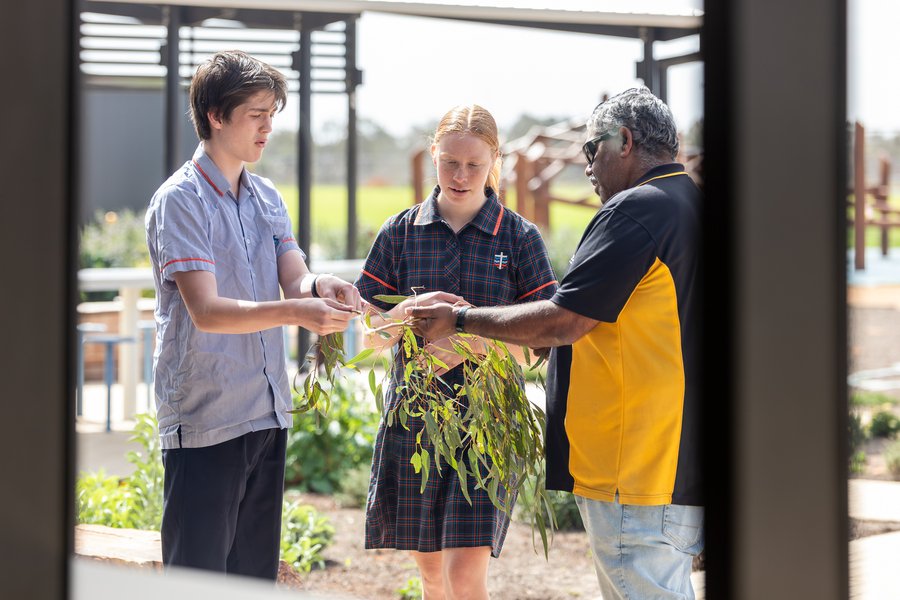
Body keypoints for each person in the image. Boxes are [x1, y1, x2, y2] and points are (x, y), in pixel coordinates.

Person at [409, 87, 704, 600]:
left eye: (593, 150)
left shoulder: (638, 211)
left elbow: (563, 320)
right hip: (679, 461)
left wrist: (459, 320)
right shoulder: (692, 204)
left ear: (626, 141)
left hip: (635, 467)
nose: (587, 166)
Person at [145, 50, 365, 580]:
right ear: (216, 115)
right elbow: (208, 311)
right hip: (207, 418)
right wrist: (299, 310)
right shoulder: (182, 200)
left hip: (266, 413)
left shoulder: (266, 196)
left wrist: (321, 286)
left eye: (273, 114)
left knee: (253, 582)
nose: (269, 128)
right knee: (197, 584)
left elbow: (296, 277)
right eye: (256, 114)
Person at [355, 104, 558, 600]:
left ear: (495, 161)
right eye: (449, 162)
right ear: (432, 157)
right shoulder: (399, 233)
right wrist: (408, 316)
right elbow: (367, 333)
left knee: (465, 578)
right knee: (430, 579)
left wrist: (474, 342)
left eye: (474, 163)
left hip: (489, 426)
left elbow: (544, 342)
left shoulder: (520, 238)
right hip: (415, 423)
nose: (460, 175)